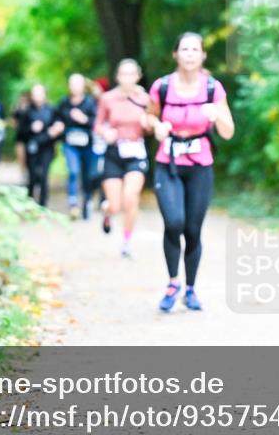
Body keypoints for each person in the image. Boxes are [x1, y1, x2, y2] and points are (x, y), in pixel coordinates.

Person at [147, 32, 235, 313]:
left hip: (199, 165)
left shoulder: (212, 88)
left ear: (202, 55)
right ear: (175, 54)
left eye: (194, 49)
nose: (189, 54)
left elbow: (228, 132)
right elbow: (149, 116)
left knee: (193, 230)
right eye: (184, 49)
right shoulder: (161, 86)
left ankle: (191, 289)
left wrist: (216, 114)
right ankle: (173, 282)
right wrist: (155, 126)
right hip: (168, 163)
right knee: (173, 222)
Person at [95, 58, 151, 258]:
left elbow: (154, 123)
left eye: (131, 74)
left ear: (138, 76)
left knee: (130, 197)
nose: (127, 78)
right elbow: (98, 124)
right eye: (123, 74)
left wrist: (148, 123)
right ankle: (107, 211)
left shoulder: (145, 99)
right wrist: (105, 132)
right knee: (115, 204)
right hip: (114, 153)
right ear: (118, 76)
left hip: (136, 152)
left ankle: (126, 241)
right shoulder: (108, 98)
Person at [56, 74, 98, 219]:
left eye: (77, 84)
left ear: (83, 86)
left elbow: (97, 122)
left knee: (88, 175)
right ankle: (73, 204)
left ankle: (87, 201)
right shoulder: (63, 103)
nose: (75, 87)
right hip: (69, 144)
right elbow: (56, 119)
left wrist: (84, 119)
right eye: (72, 84)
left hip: (87, 144)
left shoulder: (90, 102)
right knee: (73, 171)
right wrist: (58, 126)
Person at [20, 84, 64, 206]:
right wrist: (31, 128)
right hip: (32, 147)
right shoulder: (27, 111)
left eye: (39, 93)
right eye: (35, 94)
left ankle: (43, 204)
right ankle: (29, 202)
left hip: (47, 147)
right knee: (32, 176)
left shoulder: (52, 110)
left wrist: (55, 131)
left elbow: (59, 129)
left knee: (44, 175)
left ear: (44, 94)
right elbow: (20, 133)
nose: (37, 97)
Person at [11, 91, 30, 185]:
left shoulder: (31, 109)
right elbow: (14, 122)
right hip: (20, 136)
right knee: (21, 157)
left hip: (29, 137)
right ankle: (23, 175)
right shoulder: (17, 109)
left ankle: (28, 175)